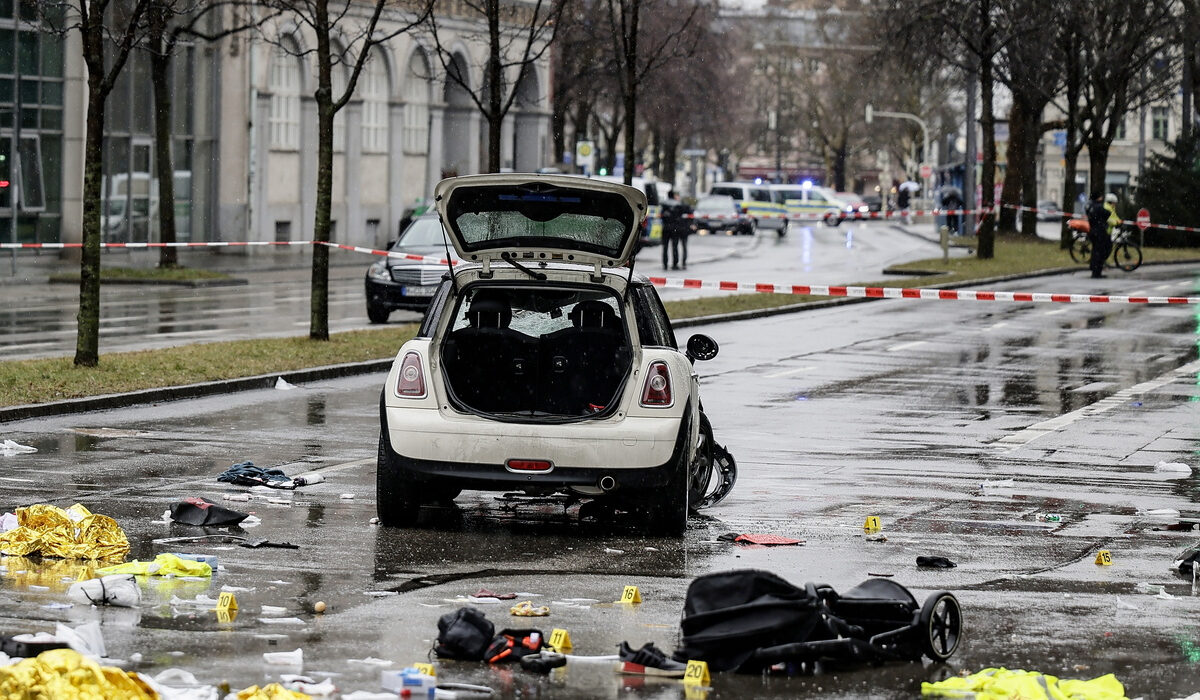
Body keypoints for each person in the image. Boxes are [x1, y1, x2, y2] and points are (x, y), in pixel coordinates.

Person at [661, 189, 694, 270]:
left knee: (665, 247)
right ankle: (675, 264)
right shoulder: (679, 205)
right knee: (674, 246)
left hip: (666, 228)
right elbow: (686, 212)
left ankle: (665, 264)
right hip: (675, 229)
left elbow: (662, 216)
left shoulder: (664, 204)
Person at [1085, 191, 1112, 278]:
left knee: (1095, 251)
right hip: (1100, 232)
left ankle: (1094, 269)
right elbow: (1107, 213)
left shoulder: (1089, 206)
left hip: (1092, 231)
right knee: (1100, 252)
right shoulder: (1098, 207)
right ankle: (1097, 272)